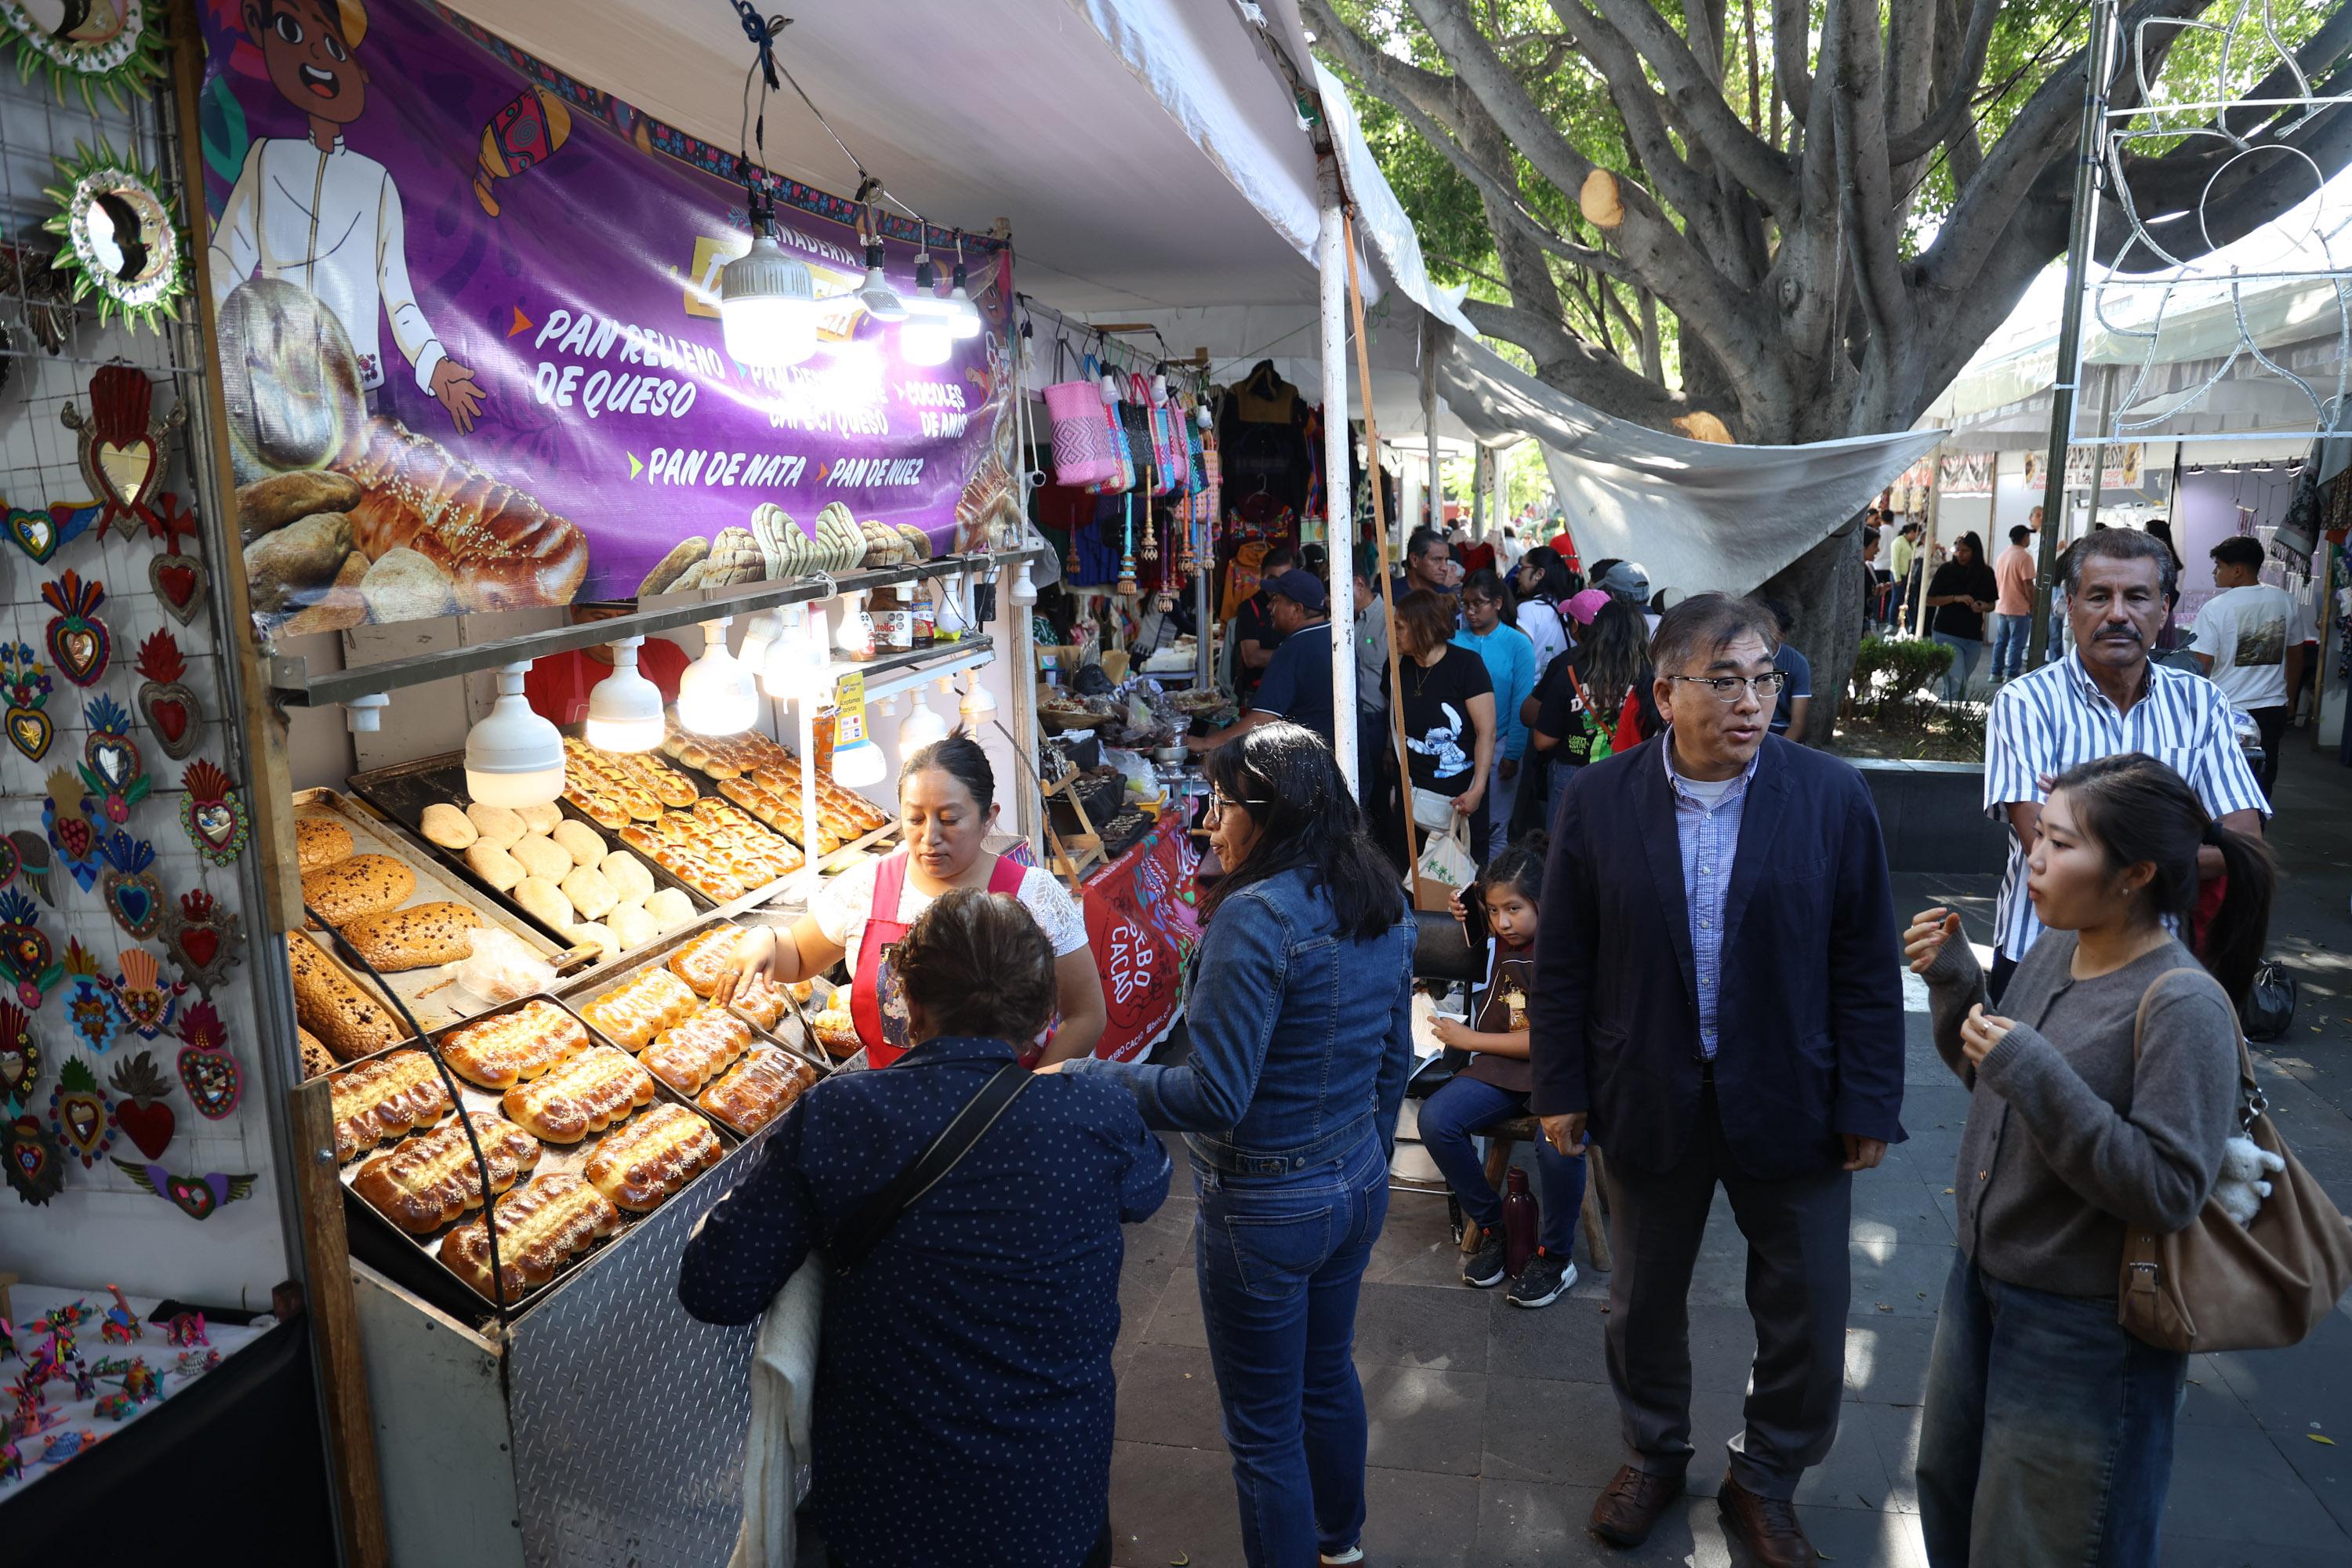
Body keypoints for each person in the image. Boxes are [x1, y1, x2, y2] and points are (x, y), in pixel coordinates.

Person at [1530, 594, 1904, 1567]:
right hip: (1647, 1091)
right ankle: (1654, 1453)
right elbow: (1563, 958)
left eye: (1766, 678)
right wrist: (1561, 1086)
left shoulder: (1829, 795)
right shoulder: (1599, 800)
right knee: (1640, 1302)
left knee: (1812, 1311)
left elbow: (1866, 962)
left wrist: (1869, 1098)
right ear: (1665, 692)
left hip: (1795, 1096)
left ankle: (1766, 1477)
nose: (1752, 702)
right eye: (1724, 679)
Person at [679, 888, 1171, 1568]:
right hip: (1051, 1504)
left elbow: (716, 1286)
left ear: (905, 1000)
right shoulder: (1095, 1117)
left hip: (891, 1515)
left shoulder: (840, 1117)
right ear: (1042, 1016)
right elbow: (1150, 1189)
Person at [1050, 724, 1415, 1568]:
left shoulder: (1256, 915)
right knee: (1326, 1374)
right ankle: (1342, 1541)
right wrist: (1369, 1159)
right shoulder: (1375, 888)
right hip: (1355, 1177)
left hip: (1267, 1207)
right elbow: (1395, 1059)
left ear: (1270, 813)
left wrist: (1098, 1077)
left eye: (1220, 804)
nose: (1209, 824)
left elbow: (1213, 1093)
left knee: (1262, 1429)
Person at [1904, 755, 2272, 1566]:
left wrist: (2037, 1072)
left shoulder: (2183, 1001)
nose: (2033, 853)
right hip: (1983, 1283)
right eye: (2041, 830)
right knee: (1951, 1493)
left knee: (2042, 1538)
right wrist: (1959, 987)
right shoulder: (2051, 949)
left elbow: (2170, 1188)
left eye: (2061, 842)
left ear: (2134, 873)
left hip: (2084, 1325)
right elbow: (2001, 1085)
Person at [1980, 526, 2268, 1001]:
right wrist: (2174, 836)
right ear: (2069, 606)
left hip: (2164, 963)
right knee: (2023, 1074)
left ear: (2165, 610)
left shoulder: (2203, 705)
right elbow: (2043, 848)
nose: (2118, 614)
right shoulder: (2027, 702)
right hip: (2041, 954)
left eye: (2137, 597)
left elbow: (2243, 846)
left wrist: (2087, 832)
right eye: (2099, 596)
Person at [722, 734, 1108, 1065]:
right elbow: (800, 957)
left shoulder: (1034, 895)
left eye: (950, 819)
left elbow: (1086, 1015)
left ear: (988, 817)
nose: (929, 836)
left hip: (1002, 1113)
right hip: (896, 1113)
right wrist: (766, 940)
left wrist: (1029, 1093)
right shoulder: (867, 886)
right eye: (915, 819)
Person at [212, 0, 485, 430]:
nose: (318, 57)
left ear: (361, 73)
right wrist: (211, 342)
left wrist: (435, 366)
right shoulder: (267, 161)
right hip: (274, 386)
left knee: (357, 492)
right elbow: (225, 263)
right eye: (291, 31)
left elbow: (400, 299)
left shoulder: (375, 181)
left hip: (356, 390)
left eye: (335, 49)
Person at [1421, 839, 1587, 1308]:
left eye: (1513, 908)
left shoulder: (1564, 946)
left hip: (1557, 1069)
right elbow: (1473, 902)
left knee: (1555, 1146)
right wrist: (1466, 904)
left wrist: (1469, 1040)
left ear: (1542, 901)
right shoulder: (1500, 932)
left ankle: (1555, 1256)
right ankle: (1497, 1227)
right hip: (1499, 1066)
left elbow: (1546, 1039)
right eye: (1494, 912)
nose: (1503, 923)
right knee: (1438, 1121)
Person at [2194, 535, 2310, 798]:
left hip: (2227, 706)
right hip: (2272, 706)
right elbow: (2296, 655)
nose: (2215, 573)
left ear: (2237, 571)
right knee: (2263, 777)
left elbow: (2202, 664)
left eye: (2219, 566)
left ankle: (2224, 832)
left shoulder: (2215, 608)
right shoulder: (2285, 601)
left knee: (2220, 775)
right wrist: (2290, 698)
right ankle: (2256, 831)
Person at [1391, 587, 1494, 862]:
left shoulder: (1466, 665)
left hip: (1460, 799)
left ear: (1421, 627)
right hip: (1412, 797)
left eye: (1400, 627)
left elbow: (1487, 732)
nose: (1394, 634)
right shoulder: (1399, 668)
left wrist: (1478, 789)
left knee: (1460, 883)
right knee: (1411, 879)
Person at [1527, 597, 1653, 808]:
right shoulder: (1650, 679)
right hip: (1629, 774)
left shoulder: (1569, 671)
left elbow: (1542, 741)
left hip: (1573, 775)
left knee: (1565, 839)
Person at [1191, 569, 1334, 753]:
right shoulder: (1333, 635)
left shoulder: (1293, 649)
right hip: (1340, 760)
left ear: (1297, 610)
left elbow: (1261, 719)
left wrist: (1206, 744)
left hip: (1313, 764)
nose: (1269, 607)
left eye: (1276, 600)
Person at [1455, 568, 1537, 859]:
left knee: (1496, 828)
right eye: (1466, 604)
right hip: (1458, 747)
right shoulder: (1454, 640)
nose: (1471, 611)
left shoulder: (1518, 644)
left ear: (1498, 604)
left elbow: (1521, 704)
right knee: (1458, 821)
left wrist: (1513, 753)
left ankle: (1491, 896)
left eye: (1478, 604)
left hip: (1501, 743)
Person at [523, 603, 689, 723]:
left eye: (625, 619)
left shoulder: (668, 655)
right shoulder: (543, 670)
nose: (615, 632)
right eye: (601, 619)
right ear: (575, 613)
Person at [1925, 532, 1998, 699]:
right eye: (1957, 550)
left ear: (1975, 551)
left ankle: (1947, 713)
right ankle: (1955, 721)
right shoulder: (1946, 570)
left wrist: (1983, 606)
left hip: (1973, 637)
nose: (1960, 554)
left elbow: (1992, 604)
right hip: (1946, 634)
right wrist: (1955, 598)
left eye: (1965, 551)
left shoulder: (1986, 573)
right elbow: (1930, 600)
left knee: (1956, 684)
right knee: (1957, 686)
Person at [1231, 543, 1297, 710]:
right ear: (1262, 575)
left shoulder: (1299, 604)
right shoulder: (1249, 608)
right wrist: (1298, 657)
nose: (1277, 586)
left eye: (1284, 579)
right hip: (1258, 693)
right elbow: (1252, 658)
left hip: (1293, 689)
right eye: (1272, 579)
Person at [1512, 546, 1577, 681]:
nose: (1517, 575)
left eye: (1522, 568)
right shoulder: (1571, 607)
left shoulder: (1528, 609)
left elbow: (1518, 661)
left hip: (1533, 694)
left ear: (1539, 574)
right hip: (1565, 693)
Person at [1759, 597, 1812, 741]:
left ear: (1782, 636)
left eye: (1768, 632)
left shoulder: (1797, 663)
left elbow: (1798, 723)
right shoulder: (1741, 660)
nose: (1761, 637)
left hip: (1780, 731)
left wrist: (1778, 751)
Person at [1990, 524, 2035, 684]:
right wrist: (2033, 603)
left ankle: (1995, 673)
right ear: (2024, 538)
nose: (2029, 539)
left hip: (2002, 605)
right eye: (2028, 536)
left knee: (2001, 641)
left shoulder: (2002, 556)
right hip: (2019, 607)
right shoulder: (2025, 557)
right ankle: (2012, 674)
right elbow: (2028, 584)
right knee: (2017, 643)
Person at [1398, 525, 1452, 598]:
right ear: (1414, 560)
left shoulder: (1447, 597)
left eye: (1446, 560)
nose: (1444, 568)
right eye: (1437, 560)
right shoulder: (1387, 595)